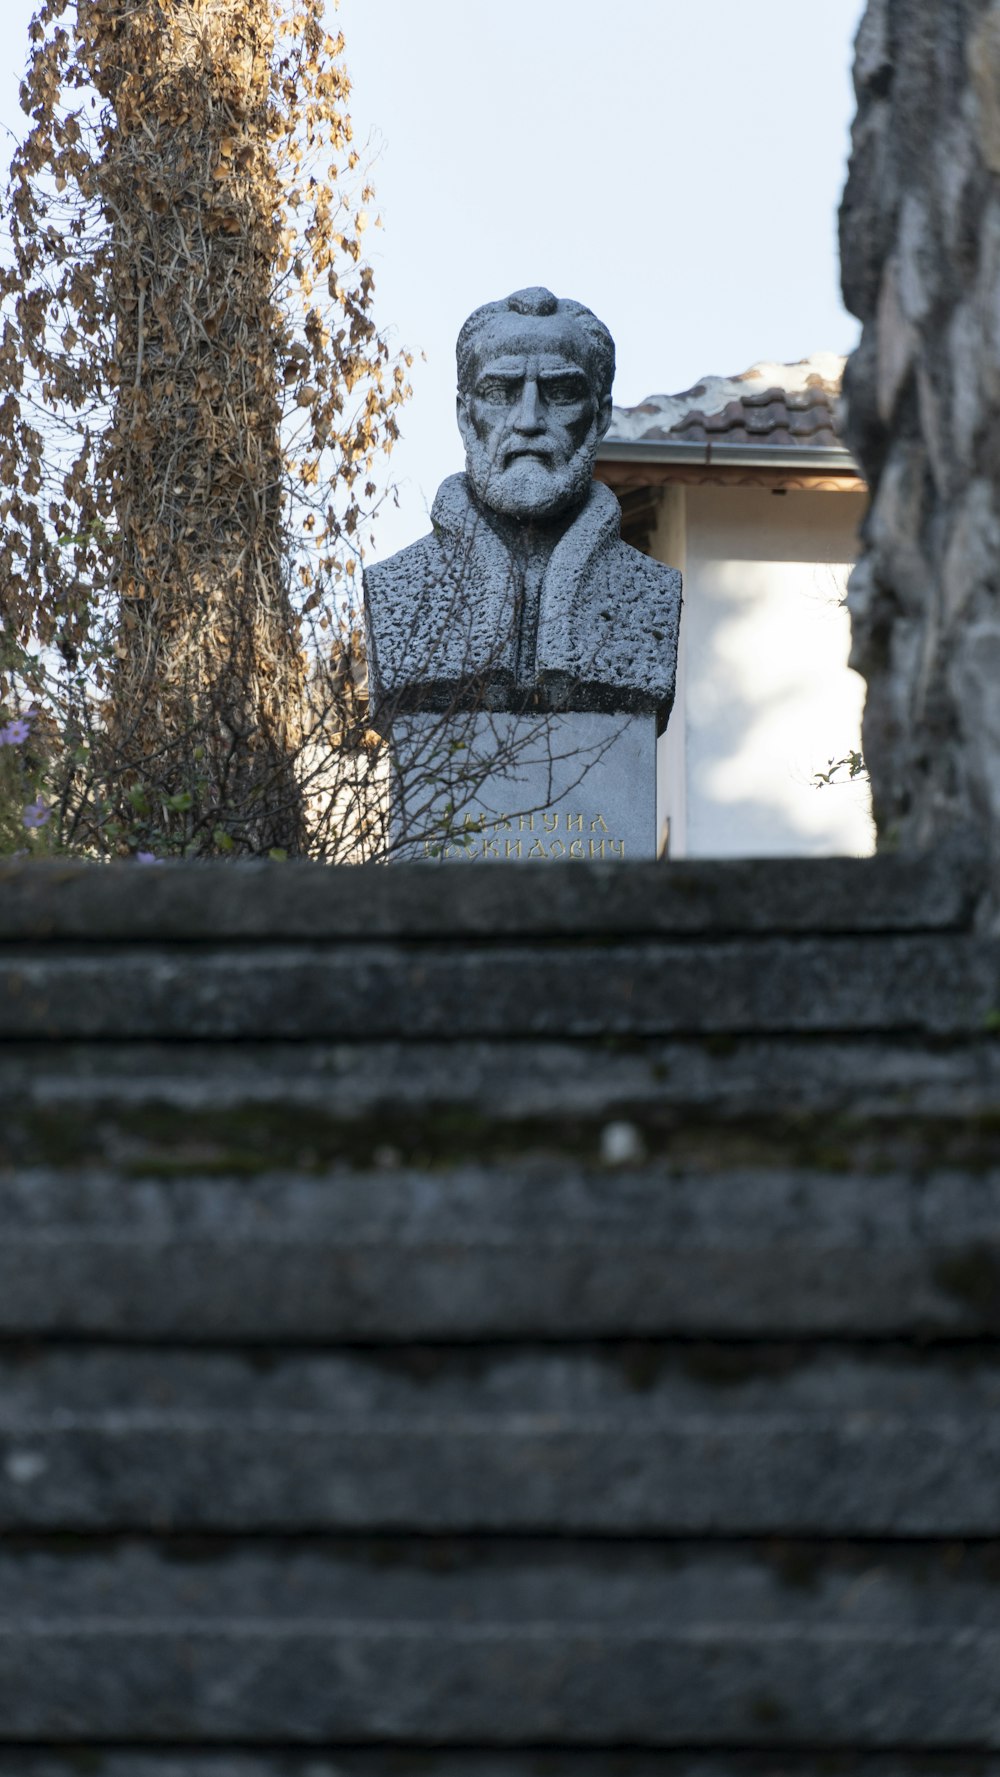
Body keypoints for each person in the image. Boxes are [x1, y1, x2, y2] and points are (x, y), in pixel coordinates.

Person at [363, 286, 681, 728]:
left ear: (600, 416)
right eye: (500, 392)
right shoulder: (397, 590)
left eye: (562, 392)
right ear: (463, 414)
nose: (529, 419)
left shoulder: (649, 597)